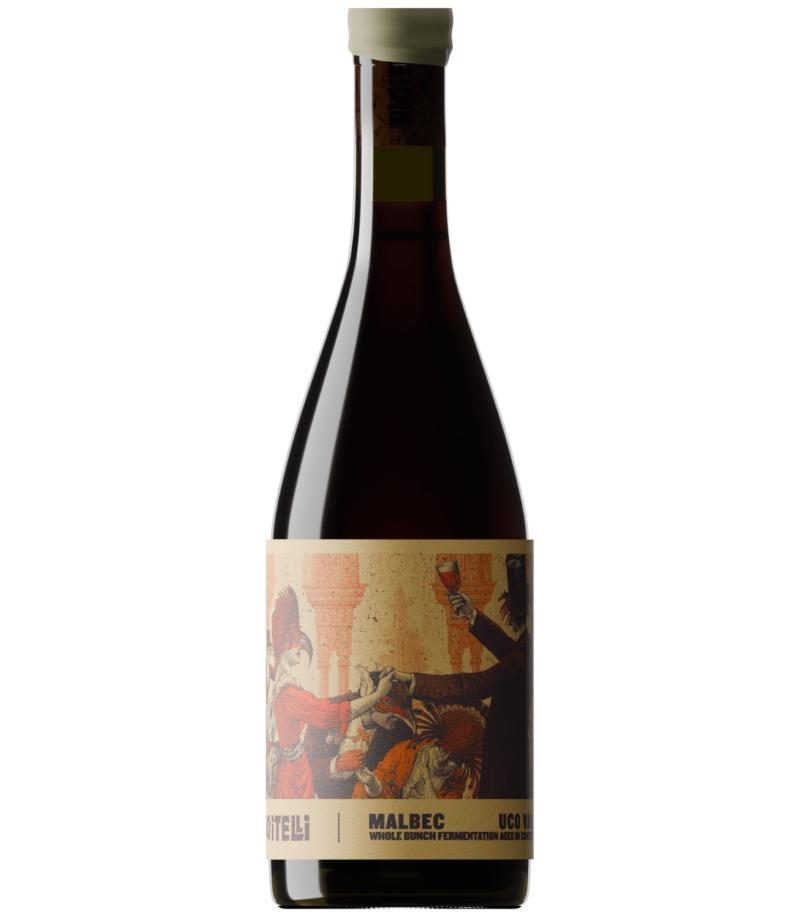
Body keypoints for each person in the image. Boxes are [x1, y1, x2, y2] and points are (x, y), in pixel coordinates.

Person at [391, 554, 531, 799]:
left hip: (514, 760)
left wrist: (413, 681)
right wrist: (472, 615)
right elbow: (513, 654)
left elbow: (474, 685)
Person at [267, 587, 394, 798]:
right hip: (294, 776)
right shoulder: (289, 695)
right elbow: (330, 714)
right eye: (293, 638)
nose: (300, 643)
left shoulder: (281, 688)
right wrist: (377, 696)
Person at [304, 672, 415, 799]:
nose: (395, 719)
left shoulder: (397, 734)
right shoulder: (330, 712)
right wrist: (336, 764)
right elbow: (303, 765)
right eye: (390, 713)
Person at [353, 704, 484, 800]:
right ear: (434, 741)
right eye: (442, 749)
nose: (443, 760)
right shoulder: (404, 751)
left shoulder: (456, 782)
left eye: (453, 760)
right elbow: (378, 783)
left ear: (461, 764)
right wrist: (372, 785)